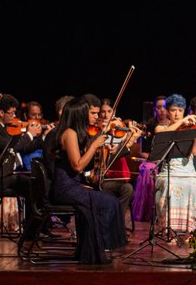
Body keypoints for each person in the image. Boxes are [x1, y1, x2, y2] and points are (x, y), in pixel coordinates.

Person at [50, 96, 127, 263]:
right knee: (108, 202)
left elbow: (86, 166)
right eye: (91, 113)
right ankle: (102, 246)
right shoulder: (69, 133)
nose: (96, 117)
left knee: (108, 198)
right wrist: (93, 145)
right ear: (80, 114)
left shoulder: (77, 133)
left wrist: (99, 146)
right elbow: (78, 166)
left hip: (73, 185)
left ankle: (98, 247)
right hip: (65, 188)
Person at [153, 94, 196, 234]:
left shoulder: (191, 130)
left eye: (180, 111)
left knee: (193, 185)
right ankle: (169, 231)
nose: (177, 114)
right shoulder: (161, 128)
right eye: (173, 110)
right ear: (168, 112)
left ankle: (189, 230)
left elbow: (194, 151)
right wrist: (182, 123)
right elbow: (163, 135)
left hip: (188, 171)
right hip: (169, 171)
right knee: (171, 186)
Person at [98, 97, 135, 230]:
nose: (106, 115)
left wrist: (125, 138)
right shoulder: (96, 130)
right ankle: (115, 225)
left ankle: (116, 223)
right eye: (103, 112)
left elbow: (124, 147)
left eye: (109, 111)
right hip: (102, 177)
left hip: (118, 176)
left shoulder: (119, 128)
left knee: (128, 189)